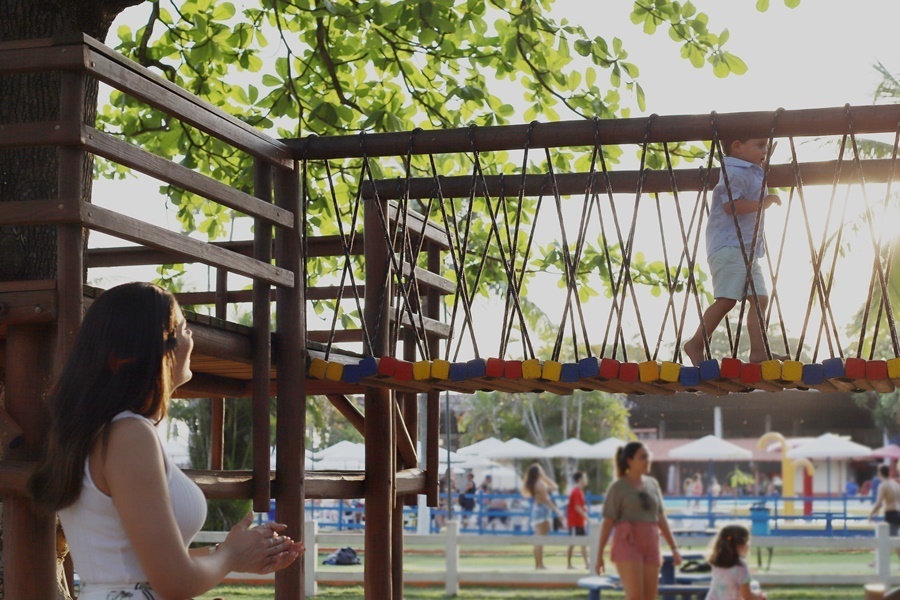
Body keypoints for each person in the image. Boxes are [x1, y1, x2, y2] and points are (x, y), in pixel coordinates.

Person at [28, 282, 304, 599]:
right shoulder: (129, 435)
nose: (191, 337)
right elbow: (173, 582)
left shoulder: (100, 431)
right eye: (184, 329)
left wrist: (228, 551)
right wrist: (231, 556)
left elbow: (139, 567)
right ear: (151, 348)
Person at [684, 137, 784, 366]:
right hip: (729, 246)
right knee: (727, 300)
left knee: (760, 299)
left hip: (747, 250)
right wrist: (763, 203)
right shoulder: (734, 172)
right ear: (736, 146)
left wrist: (763, 161)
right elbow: (731, 205)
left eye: (767, 146)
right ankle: (696, 343)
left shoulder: (750, 170)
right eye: (760, 145)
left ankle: (758, 352)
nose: (765, 150)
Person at [596, 441, 681, 600]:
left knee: (649, 597)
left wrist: (674, 548)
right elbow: (608, 522)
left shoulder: (653, 484)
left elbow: (660, 518)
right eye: (642, 457)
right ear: (629, 461)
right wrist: (599, 555)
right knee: (635, 597)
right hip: (628, 542)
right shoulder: (618, 487)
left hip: (651, 542)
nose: (647, 460)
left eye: (648, 456)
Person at [706, 523, 766, 599]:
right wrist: (760, 595)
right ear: (741, 543)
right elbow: (747, 596)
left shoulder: (717, 562)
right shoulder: (740, 567)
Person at [523, 462, 565, 569]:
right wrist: (557, 512)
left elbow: (555, 487)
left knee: (539, 538)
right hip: (542, 510)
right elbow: (547, 500)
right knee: (539, 539)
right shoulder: (539, 484)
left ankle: (539, 564)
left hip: (539, 509)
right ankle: (539, 564)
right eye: (541, 470)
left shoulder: (539, 483)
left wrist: (545, 477)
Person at [869, 464, 900, 562]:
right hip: (898, 513)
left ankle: (878, 562)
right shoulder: (895, 484)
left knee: (889, 540)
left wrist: (871, 514)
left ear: (880, 473)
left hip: (891, 514)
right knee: (892, 540)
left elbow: (879, 503)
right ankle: (877, 561)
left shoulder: (883, 485)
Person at [566, 471, 590, 570]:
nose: (586, 479)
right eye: (584, 477)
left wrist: (584, 509)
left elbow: (579, 506)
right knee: (572, 543)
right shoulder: (576, 491)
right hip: (574, 522)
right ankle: (569, 564)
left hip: (579, 522)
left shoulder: (580, 491)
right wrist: (587, 517)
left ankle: (587, 564)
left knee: (583, 543)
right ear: (580, 480)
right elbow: (576, 507)